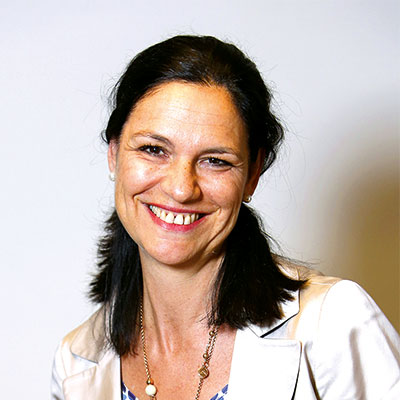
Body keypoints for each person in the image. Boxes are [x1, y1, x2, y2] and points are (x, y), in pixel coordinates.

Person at [51, 35, 400, 400]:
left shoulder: (335, 323)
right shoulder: (74, 362)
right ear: (114, 155)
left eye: (215, 160)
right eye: (153, 149)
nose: (181, 188)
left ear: (252, 174)